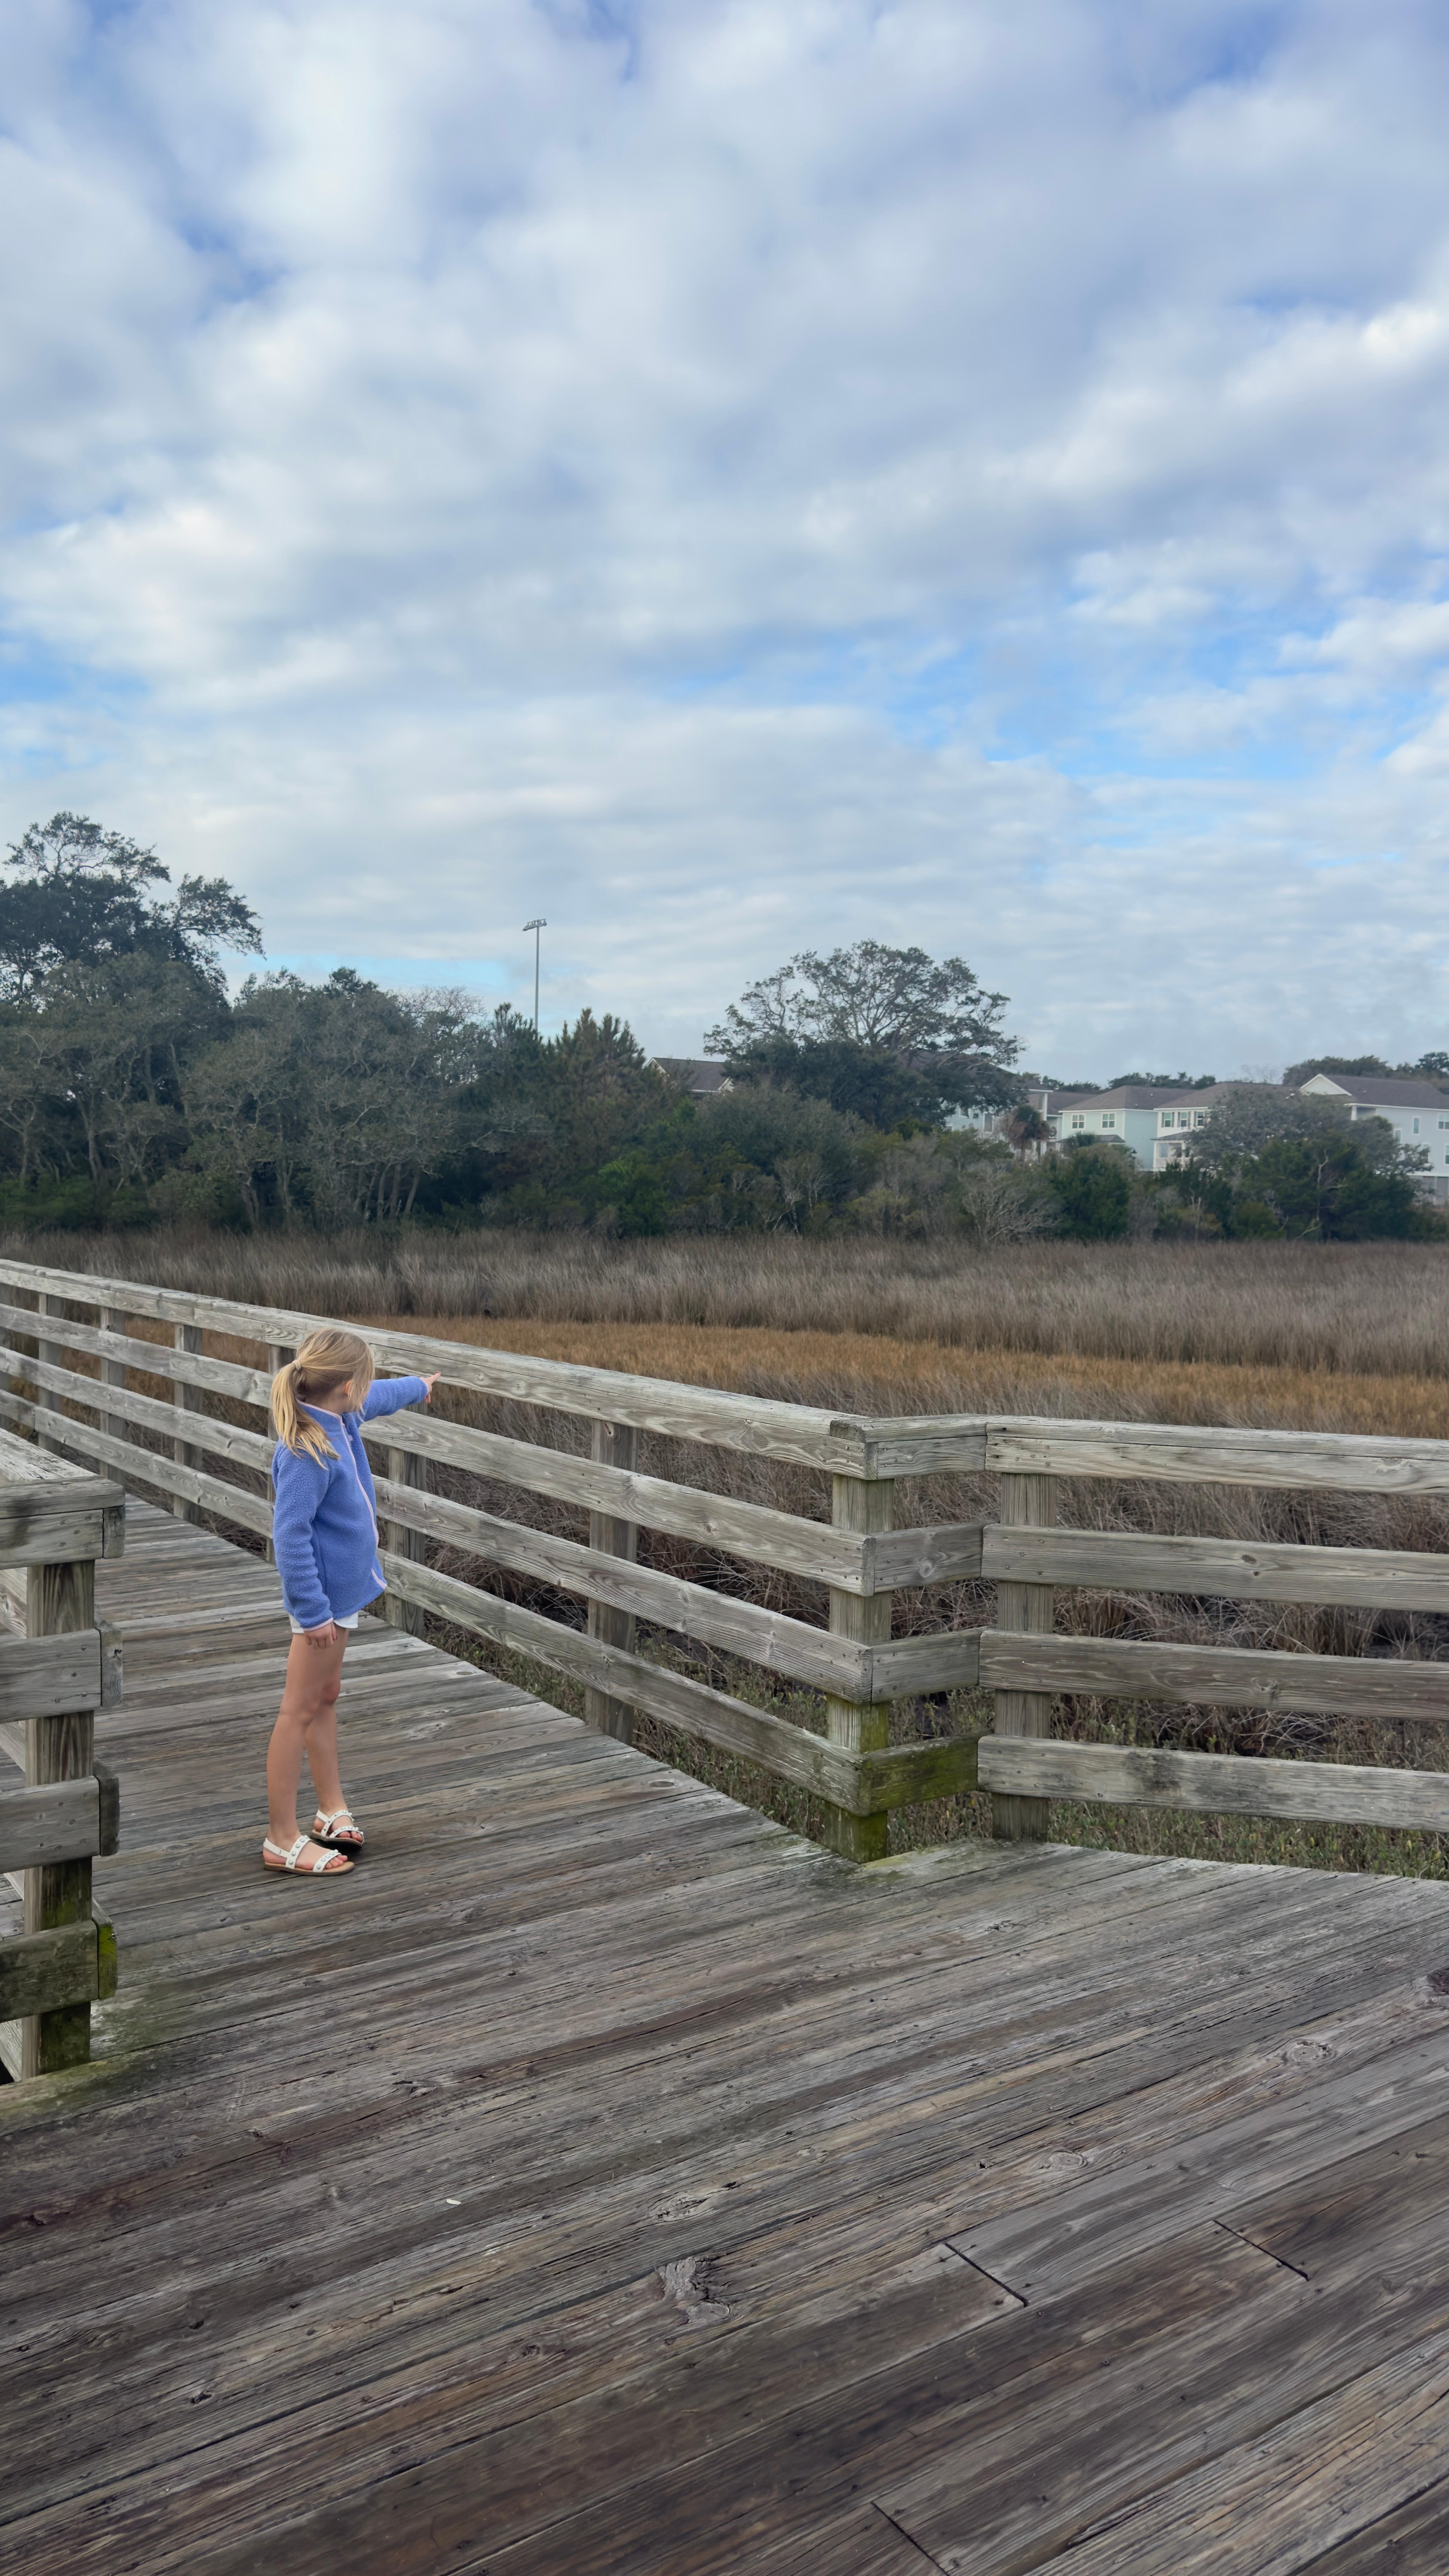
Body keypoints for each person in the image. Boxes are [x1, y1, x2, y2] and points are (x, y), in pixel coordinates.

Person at [262, 1328, 438, 1876]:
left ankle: (330, 1809)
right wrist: (311, 1612)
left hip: (340, 1596)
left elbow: (380, 1396)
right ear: (344, 1386)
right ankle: (281, 1838)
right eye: (364, 1379)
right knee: (298, 1711)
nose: (370, 1388)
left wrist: (419, 1386)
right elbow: (289, 1537)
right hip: (319, 1602)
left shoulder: (343, 1418)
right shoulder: (306, 1450)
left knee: (326, 1697)